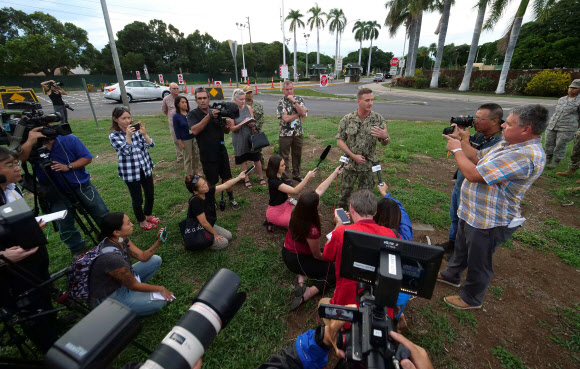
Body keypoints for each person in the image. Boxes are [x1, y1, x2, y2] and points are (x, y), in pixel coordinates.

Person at [439, 104, 548, 310]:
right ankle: (451, 275)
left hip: (489, 220)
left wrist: (455, 151)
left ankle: (471, 298)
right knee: (461, 248)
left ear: (526, 129)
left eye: (509, 123)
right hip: (472, 211)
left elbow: (474, 174)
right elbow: (477, 157)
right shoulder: (508, 144)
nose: (503, 125)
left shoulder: (525, 155)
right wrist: (462, 140)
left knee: (479, 261)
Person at [0, 147, 57, 352]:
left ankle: (54, 325)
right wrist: (3, 256)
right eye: (10, 165)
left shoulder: (12, 189)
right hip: (13, 271)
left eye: (16, 163)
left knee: (44, 291)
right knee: (31, 308)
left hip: (35, 258)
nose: (18, 168)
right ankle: (48, 347)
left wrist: (30, 225)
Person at [20, 131, 110, 257]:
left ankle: (113, 237)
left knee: (100, 212)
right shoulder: (29, 145)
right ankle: (77, 249)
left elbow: (87, 157)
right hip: (53, 192)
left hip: (80, 185)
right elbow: (18, 159)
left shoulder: (68, 139)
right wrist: (29, 142)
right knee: (64, 222)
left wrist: (68, 166)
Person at [438, 104, 504, 255]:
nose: (475, 122)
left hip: (477, 191)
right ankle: (453, 243)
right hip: (461, 184)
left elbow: (478, 161)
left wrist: (463, 142)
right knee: (455, 216)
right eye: (475, 118)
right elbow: (462, 149)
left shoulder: (499, 143)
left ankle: (463, 251)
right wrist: (458, 136)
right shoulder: (479, 135)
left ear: (494, 121)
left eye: (480, 119)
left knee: (467, 224)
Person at [322, 189, 398, 307]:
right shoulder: (391, 235)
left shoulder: (341, 232)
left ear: (351, 208)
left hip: (347, 299)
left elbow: (327, 256)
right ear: (375, 211)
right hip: (379, 300)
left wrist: (337, 226)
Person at [88, 212, 173, 316]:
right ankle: (122, 305)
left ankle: (134, 297)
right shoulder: (112, 258)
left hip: (121, 282)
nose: (132, 224)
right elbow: (133, 285)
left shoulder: (120, 239)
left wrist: (159, 242)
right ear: (116, 232)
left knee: (155, 260)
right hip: (109, 296)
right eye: (128, 223)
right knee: (161, 301)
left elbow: (142, 256)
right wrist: (160, 288)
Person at [284, 165, 342, 310]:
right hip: (297, 259)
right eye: (318, 203)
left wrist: (334, 172)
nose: (320, 201)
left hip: (288, 252)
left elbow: (319, 190)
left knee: (330, 258)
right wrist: (337, 227)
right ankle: (309, 292)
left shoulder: (297, 212)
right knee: (336, 270)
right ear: (314, 208)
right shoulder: (311, 230)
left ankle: (301, 277)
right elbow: (318, 255)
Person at [336, 88, 390, 209]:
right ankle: (341, 217)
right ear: (358, 101)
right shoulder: (347, 119)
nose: (370, 103)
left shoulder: (378, 119)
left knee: (365, 196)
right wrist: (353, 156)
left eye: (372, 100)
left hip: (368, 165)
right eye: (367, 100)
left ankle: (361, 219)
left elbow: (385, 142)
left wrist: (385, 137)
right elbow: (340, 141)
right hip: (350, 164)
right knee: (345, 193)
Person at [109, 107, 161, 230]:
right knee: (137, 198)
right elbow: (126, 151)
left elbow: (151, 145)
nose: (127, 121)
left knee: (150, 194)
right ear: (115, 119)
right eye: (123, 118)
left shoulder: (136, 131)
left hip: (145, 167)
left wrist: (144, 133)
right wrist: (128, 136)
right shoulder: (114, 136)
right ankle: (141, 220)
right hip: (130, 171)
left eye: (129, 117)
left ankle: (148, 215)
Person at [187, 88, 239, 210]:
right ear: (196, 100)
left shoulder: (217, 111)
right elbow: (194, 130)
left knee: (226, 176)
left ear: (209, 99)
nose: (202, 101)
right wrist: (208, 116)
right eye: (199, 98)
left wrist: (227, 126)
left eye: (205, 98)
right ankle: (211, 200)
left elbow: (225, 131)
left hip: (221, 150)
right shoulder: (193, 114)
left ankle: (231, 197)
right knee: (211, 180)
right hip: (207, 152)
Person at [184, 171, 246, 250]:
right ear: (195, 191)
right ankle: (203, 241)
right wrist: (215, 234)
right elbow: (204, 223)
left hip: (207, 224)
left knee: (229, 235)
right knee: (224, 243)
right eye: (202, 186)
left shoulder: (207, 192)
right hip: (198, 228)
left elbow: (225, 185)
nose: (206, 186)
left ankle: (210, 234)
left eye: (204, 183)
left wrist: (239, 177)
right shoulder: (195, 201)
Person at [265, 155, 316, 230]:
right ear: (276, 168)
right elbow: (295, 191)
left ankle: (277, 222)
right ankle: (272, 220)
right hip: (276, 212)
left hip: (284, 204)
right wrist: (307, 177)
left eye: (284, 164)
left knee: (302, 210)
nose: (285, 166)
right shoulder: (274, 182)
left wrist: (286, 197)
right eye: (282, 165)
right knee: (297, 225)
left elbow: (278, 193)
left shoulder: (278, 175)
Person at [227, 89, 265, 188]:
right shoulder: (232, 112)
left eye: (243, 99)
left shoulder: (248, 108)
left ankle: (261, 177)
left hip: (250, 137)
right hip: (239, 138)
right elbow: (232, 128)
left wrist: (253, 125)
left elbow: (253, 120)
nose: (243, 101)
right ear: (235, 100)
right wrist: (242, 123)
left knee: (256, 158)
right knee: (243, 159)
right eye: (240, 99)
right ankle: (246, 179)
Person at [544, 79, 580, 169]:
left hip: (567, 127)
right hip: (553, 124)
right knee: (548, 142)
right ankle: (548, 158)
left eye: (575, 88)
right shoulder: (562, 99)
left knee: (560, 144)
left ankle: (556, 160)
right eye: (570, 87)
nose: (571, 90)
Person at [277, 80, 308, 182]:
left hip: (297, 132)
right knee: (284, 156)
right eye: (287, 90)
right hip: (285, 133)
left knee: (297, 154)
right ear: (283, 90)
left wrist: (294, 102)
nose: (289, 91)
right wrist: (298, 114)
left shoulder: (299, 99)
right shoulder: (281, 102)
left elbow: (304, 113)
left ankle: (296, 174)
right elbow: (285, 119)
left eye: (291, 89)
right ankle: (285, 177)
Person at [173, 95, 201, 176]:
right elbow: (176, 130)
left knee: (196, 156)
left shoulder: (190, 113)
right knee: (188, 158)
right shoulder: (176, 116)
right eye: (182, 102)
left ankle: (196, 172)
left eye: (186, 102)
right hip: (185, 139)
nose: (185, 104)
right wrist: (180, 142)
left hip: (193, 137)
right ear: (178, 104)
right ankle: (189, 175)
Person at [243, 85, 266, 169]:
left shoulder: (258, 105)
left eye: (250, 92)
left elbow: (261, 118)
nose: (249, 95)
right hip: (245, 130)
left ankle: (261, 163)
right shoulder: (242, 106)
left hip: (256, 130)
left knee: (258, 148)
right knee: (245, 148)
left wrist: (256, 127)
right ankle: (245, 166)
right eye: (247, 93)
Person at [161, 82, 184, 163]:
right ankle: (180, 156)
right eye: (174, 88)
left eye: (177, 88)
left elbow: (188, 108)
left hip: (183, 123)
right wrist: (171, 117)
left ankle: (187, 154)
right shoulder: (166, 99)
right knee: (176, 139)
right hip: (173, 124)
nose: (176, 90)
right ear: (170, 89)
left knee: (186, 139)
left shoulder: (182, 98)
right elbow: (164, 110)